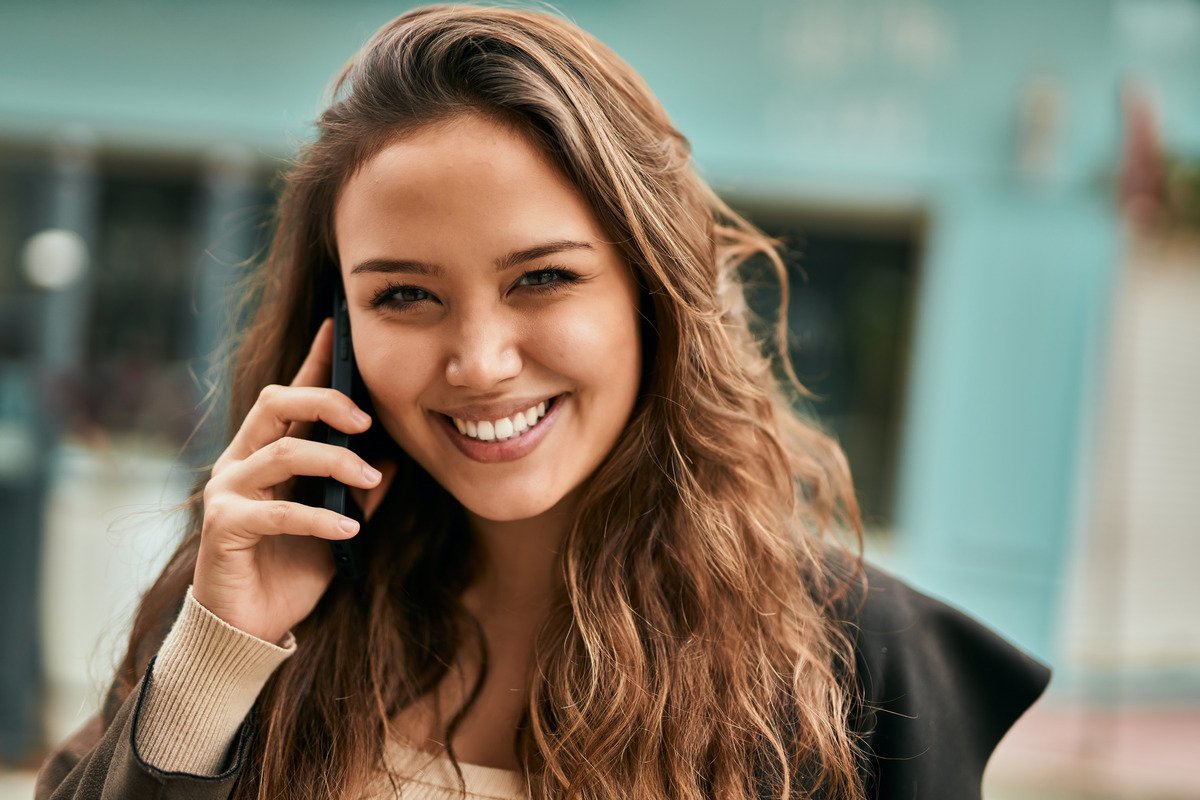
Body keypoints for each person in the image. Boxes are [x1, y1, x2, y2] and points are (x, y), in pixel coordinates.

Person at [35, 6, 1049, 799]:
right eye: (405, 295)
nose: (478, 361)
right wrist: (219, 650)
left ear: (652, 290)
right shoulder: (247, 596)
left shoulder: (862, 664)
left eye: (543, 278)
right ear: (335, 332)